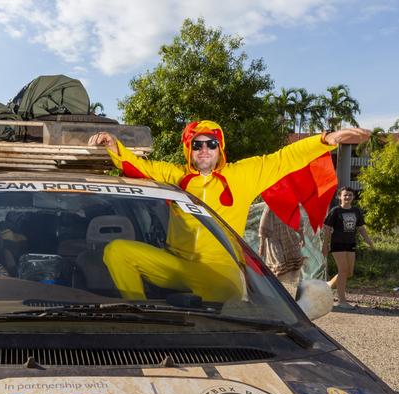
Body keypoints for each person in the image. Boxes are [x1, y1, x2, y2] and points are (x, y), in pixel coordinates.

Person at [88, 121, 370, 301]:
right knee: (117, 251)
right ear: (189, 149)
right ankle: (141, 315)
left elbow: (283, 159)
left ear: (220, 148)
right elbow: (140, 168)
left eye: (211, 144)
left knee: (227, 300)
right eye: (197, 145)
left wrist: (326, 139)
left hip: (221, 272)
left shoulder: (242, 174)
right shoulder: (175, 175)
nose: (204, 150)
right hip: (179, 267)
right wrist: (114, 146)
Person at [322, 186, 374, 310]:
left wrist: (369, 241)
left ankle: (329, 285)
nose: (347, 197)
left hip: (350, 243)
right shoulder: (335, 211)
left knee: (348, 272)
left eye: (350, 195)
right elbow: (327, 229)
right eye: (345, 195)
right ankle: (341, 301)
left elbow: (360, 228)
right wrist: (325, 245)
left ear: (353, 197)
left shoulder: (356, 211)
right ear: (340, 196)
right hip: (337, 244)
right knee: (343, 270)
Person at [259, 204, 305, 295]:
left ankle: (292, 293)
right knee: (279, 266)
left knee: (295, 263)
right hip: (274, 238)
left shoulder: (291, 203)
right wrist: (262, 244)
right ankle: (279, 294)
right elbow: (263, 225)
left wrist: (302, 236)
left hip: (290, 236)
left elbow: (298, 220)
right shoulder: (270, 205)